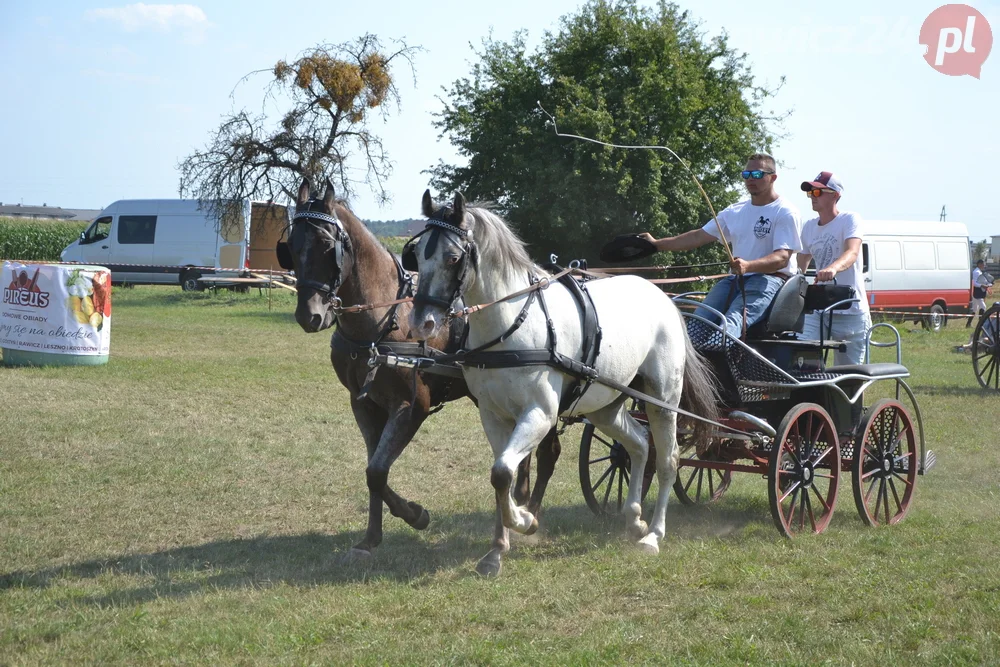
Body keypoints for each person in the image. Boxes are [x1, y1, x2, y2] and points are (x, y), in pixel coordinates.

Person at [638, 153, 803, 339]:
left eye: (756, 175)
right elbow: (697, 236)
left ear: (773, 177)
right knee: (697, 325)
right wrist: (657, 245)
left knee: (728, 327)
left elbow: (781, 258)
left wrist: (748, 266)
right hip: (734, 280)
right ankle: (693, 364)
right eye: (746, 175)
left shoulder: (785, 212)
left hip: (768, 281)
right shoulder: (734, 211)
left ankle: (715, 358)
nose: (750, 179)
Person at [796, 171, 871, 366]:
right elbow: (801, 263)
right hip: (821, 310)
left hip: (850, 311)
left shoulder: (849, 219)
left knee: (848, 376)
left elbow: (852, 253)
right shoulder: (809, 227)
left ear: (835, 195)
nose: (812, 196)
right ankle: (813, 393)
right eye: (810, 192)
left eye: (818, 192)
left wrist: (833, 269)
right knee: (800, 354)